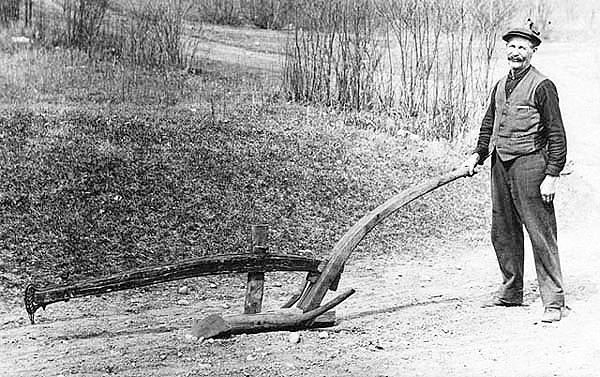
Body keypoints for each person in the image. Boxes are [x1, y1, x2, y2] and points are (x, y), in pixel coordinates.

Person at [463, 27, 567, 323]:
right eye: (511, 46)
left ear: (533, 51)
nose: (515, 52)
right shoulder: (500, 84)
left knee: (541, 233)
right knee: (504, 231)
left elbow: (557, 134)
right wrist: (478, 154)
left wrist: (552, 174)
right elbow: (488, 124)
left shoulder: (543, 85)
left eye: (522, 48)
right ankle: (511, 292)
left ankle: (554, 301)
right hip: (500, 164)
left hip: (531, 164)